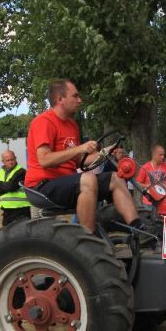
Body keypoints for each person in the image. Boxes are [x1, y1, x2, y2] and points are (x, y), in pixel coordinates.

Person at [24, 79, 142, 234]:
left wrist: (104, 153)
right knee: (88, 179)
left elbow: (80, 161)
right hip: (42, 186)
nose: (80, 100)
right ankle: (89, 239)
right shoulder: (44, 121)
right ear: (60, 99)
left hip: (68, 183)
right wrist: (80, 148)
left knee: (116, 177)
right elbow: (44, 160)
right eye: (75, 96)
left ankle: (138, 229)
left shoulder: (72, 125)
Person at [0, 149, 30, 226]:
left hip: (21, 209)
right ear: (3, 161)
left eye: (12, 159)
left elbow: (11, 187)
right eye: (7, 160)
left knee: (21, 235)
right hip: (7, 211)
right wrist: (5, 185)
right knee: (6, 235)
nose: (10, 162)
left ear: (15, 158)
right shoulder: (0, 172)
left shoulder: (21, 171)